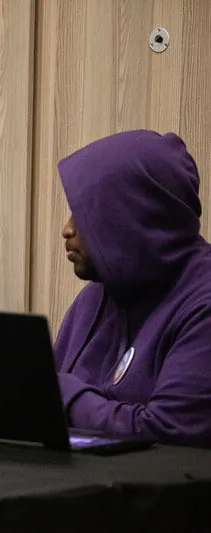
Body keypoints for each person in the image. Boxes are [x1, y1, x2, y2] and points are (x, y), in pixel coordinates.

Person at [55, 130, 211, 447]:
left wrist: (64, 394)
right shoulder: (95, 296)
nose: (67, 229)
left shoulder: (203, 304)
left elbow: (166, 434)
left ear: (132, 216)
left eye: (86, 214)